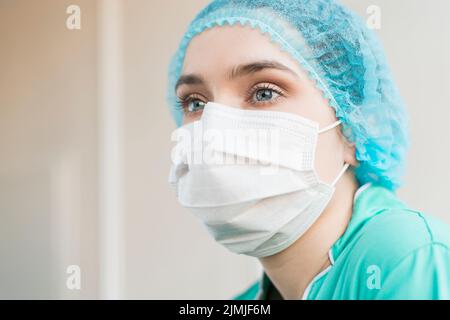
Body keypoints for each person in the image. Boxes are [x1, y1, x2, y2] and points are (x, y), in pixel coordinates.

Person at [166, 0, 450, 300]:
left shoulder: (405, 258)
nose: (214, 130)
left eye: (264, 92)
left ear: (352, 128)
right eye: (195, 102)